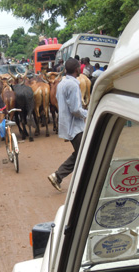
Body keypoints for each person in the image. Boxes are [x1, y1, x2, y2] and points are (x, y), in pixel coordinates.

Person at [47, 58, 88, 192]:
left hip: (66, 124)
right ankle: (58, 176)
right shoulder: (73, 85)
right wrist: (88, 113)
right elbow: (75, 109)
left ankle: (59, 177)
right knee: (83, 154)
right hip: (75, 127)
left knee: (80, 154)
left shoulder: (61, 83)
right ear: (77, 69)